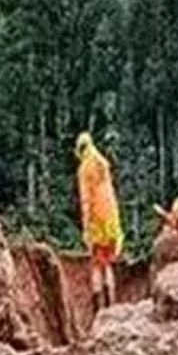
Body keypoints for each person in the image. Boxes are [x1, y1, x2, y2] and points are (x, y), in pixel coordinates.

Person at [74, 133, 123, 312]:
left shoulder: (85, 168)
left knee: (96, 264)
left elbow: (86, 201)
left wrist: (86, 228)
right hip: (112, 219)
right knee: (107, 263)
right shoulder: (103, 163)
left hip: (97, 220)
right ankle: (112, 306)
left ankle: (99, 310)